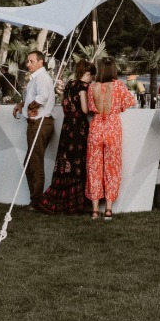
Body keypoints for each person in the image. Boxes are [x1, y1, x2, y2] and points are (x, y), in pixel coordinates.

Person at [34, 60, 93, 215]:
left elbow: (65, 103)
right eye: (91, 76)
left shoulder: (69, 84)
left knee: (65, 162)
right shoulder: (83, 87)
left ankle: (59, 200)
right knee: (77, 163)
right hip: (78, 128)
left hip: (67, 127)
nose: (92, 79)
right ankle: (75, 204)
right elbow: (85, 109)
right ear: (87, 74)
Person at [86, 57, 135, 220]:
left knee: (94, 167)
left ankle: (94, 210)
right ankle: (108, 209)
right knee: (112, 168)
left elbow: (90, 108)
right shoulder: (119, 86)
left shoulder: (92, 87)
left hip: (96, 126)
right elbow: (130, 102)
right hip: (112, 127)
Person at [13, 50, 55, 200]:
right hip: (35, 122)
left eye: (31, 61)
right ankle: (35, 197)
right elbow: (35, 97)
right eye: (28, 61)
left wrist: (31, 107)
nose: (28, 64)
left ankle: (36, 199)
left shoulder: (42, 77)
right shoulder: (36, 78)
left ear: (40, 62)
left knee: (35, 162)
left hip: (40, 122)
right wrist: (24, 105)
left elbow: (42, 97)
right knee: (31, 161)